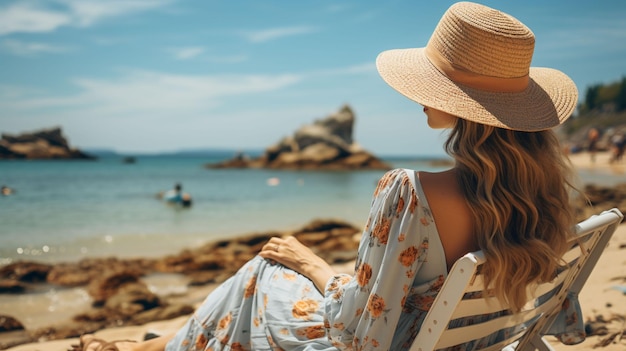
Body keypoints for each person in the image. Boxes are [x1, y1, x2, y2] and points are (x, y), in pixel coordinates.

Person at [71, 2, 583, 350]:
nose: (419, 95)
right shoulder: (543, 195)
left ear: (461, 105)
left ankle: (169, 345)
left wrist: (313, 264)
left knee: (264, 272)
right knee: (271, 270)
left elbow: (357, 336)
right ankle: (169, 343)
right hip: (464, 339)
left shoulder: (411, 191)